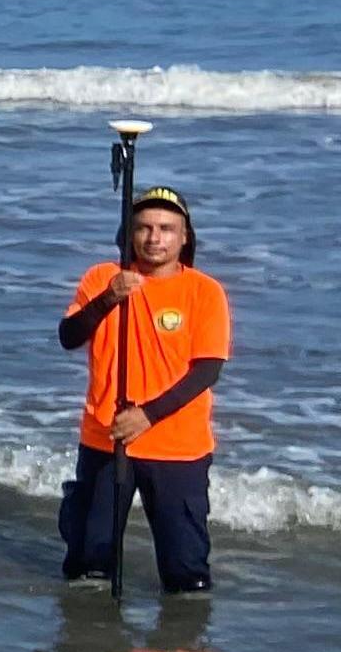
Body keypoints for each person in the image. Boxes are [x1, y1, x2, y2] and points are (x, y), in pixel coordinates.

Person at [53, 188, 229, 593]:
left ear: (184, 237)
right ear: (129, 233)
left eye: (167, 229)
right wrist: (108, 299)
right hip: (105, 438)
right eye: (144, 228)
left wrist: (146, 415)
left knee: (186, 572)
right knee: (87, 563)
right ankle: (90, 644)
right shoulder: (102, 278)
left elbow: (207, 370)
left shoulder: (205, 291)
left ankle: (179, 649)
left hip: (176, 447)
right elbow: (68, 336)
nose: (155, 238)